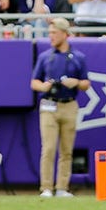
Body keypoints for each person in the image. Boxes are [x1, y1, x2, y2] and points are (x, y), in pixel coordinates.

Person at [30, 18, 89, 198]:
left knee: (66, 149)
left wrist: (75, 83)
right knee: (48, 148)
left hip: (69, 104)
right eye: (49, 33)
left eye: (54, 33)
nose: (51, 37)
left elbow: (86, 83)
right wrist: (43, 87)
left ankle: (62, 186)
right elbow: (34, 82)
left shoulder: (78, 57)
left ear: (65, 34)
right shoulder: (45, 57)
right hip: (49, 104)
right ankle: (46, 187)